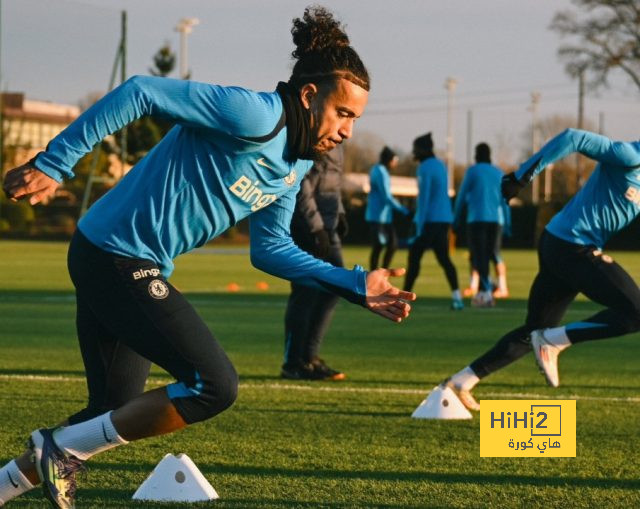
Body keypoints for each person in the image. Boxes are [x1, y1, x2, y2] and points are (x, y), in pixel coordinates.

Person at [0, 7, 416, 508]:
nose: (348, 130)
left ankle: (6, 484)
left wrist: (353, 283)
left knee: (112, 409)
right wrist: (54, 162)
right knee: (214, 385)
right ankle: (56, 449)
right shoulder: (257, 114)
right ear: (309, 95)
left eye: (355, 119)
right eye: (344, 113)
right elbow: (141, 91)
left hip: (115, 257)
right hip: (115, 256)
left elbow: (271, 250)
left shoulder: (298, 160)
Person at [442, 128, 640, 411]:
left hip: (560, 244)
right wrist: (522, 176)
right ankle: (555, 341)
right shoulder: (631, 156)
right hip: (572, 246)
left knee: (535, 329)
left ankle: (462, 380)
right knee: (635, 311)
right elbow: (574, 137)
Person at [282, 145, 348, 380]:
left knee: (336, 287)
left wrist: (338, 211)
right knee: (305, 292)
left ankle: (310, 357)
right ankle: (293, 362)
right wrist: (315, 224)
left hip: (328, 226)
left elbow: (334, 177)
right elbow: (300, 180)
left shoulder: (341, 134)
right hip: (308, 226)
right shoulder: (313, 130)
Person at [404, 132, 463, 310]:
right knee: (444, 259)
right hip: (444, 219)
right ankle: (457, 297)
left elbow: (425, 198)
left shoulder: (424, 167)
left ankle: (404, 297)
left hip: (429, 221)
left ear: (422, 150)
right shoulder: (440, 165)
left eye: (415, 149)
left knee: (414, 257)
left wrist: (418, 224)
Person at [453, 142, 510, 307]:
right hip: (496, 221)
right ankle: (494, 288)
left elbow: (461, 196)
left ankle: (485, 293)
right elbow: (505, 200)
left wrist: (455, 219)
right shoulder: (498, 173)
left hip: (476, 219)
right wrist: (508, 222)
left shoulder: (472, 171)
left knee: (479, 256)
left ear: (476, 155)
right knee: (494, 253)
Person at [365, 146, 410, 270]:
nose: (395, 163)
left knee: (390, 245)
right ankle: (376, 275)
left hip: (383, 217)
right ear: (389, 160)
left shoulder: (377, 169)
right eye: (394, 160)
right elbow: (387, 197)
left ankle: (381, 273)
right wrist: (403, 210)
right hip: (378, 217)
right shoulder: (381, 171)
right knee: (381, 245)